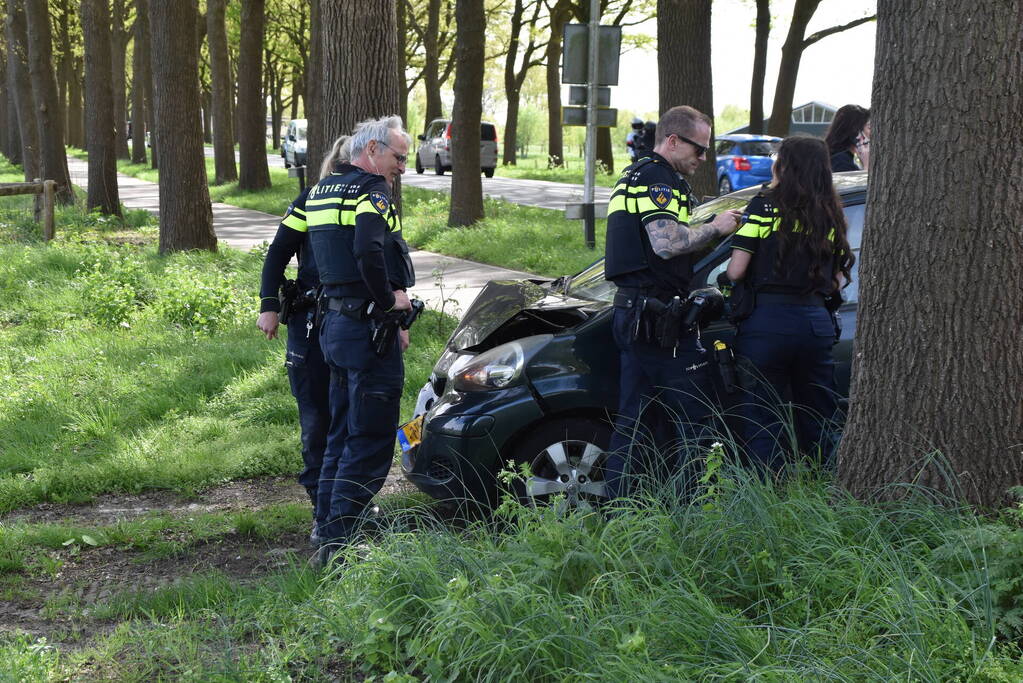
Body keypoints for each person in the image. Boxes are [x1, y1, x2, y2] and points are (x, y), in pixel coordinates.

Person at [602, 105, 743, 500]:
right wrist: (715, 228)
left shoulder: (642, 175)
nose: (703, 159)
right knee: (697, 417)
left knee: (634, 422)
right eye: (699, 150)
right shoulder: (655, 178)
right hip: (654, 317)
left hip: (639, 314)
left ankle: (620, 511)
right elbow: (666, 244)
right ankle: (699, 511)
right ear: (673, 140)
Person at [306, 116, 415, 566]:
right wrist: (389, 300)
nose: (402, 168)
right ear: (372, 151)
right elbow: (369, 250)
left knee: (339, 435)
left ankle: (327, 529)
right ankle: (341, 546)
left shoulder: (320, 191)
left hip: (335, 328)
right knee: (368, 440)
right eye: (398, 157)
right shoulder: (373, 191)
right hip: (368, 332)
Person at [725, 135, 855, 475]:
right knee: (818, 416)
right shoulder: (828, 213)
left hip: (766, 325)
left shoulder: (763, 205)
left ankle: (772, 492)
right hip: (815, 324)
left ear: (786, 164)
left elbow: (736, 270)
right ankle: (825, 487)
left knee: (763, 417)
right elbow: (838, 280)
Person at [256, 136, 352, 547]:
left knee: (352, 418)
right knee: (316, 420)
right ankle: (321, 510)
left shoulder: (370, 201)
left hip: (353, 327)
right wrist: (269, 305)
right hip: (310, 324)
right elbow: (277, 254)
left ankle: (347, 503)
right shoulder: (310, 201)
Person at [824, 104, 870, 172]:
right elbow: (859, 182)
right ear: (857, 131)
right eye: (869, 127)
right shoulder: (841, 162)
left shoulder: (846, 157)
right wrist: (867, 166)